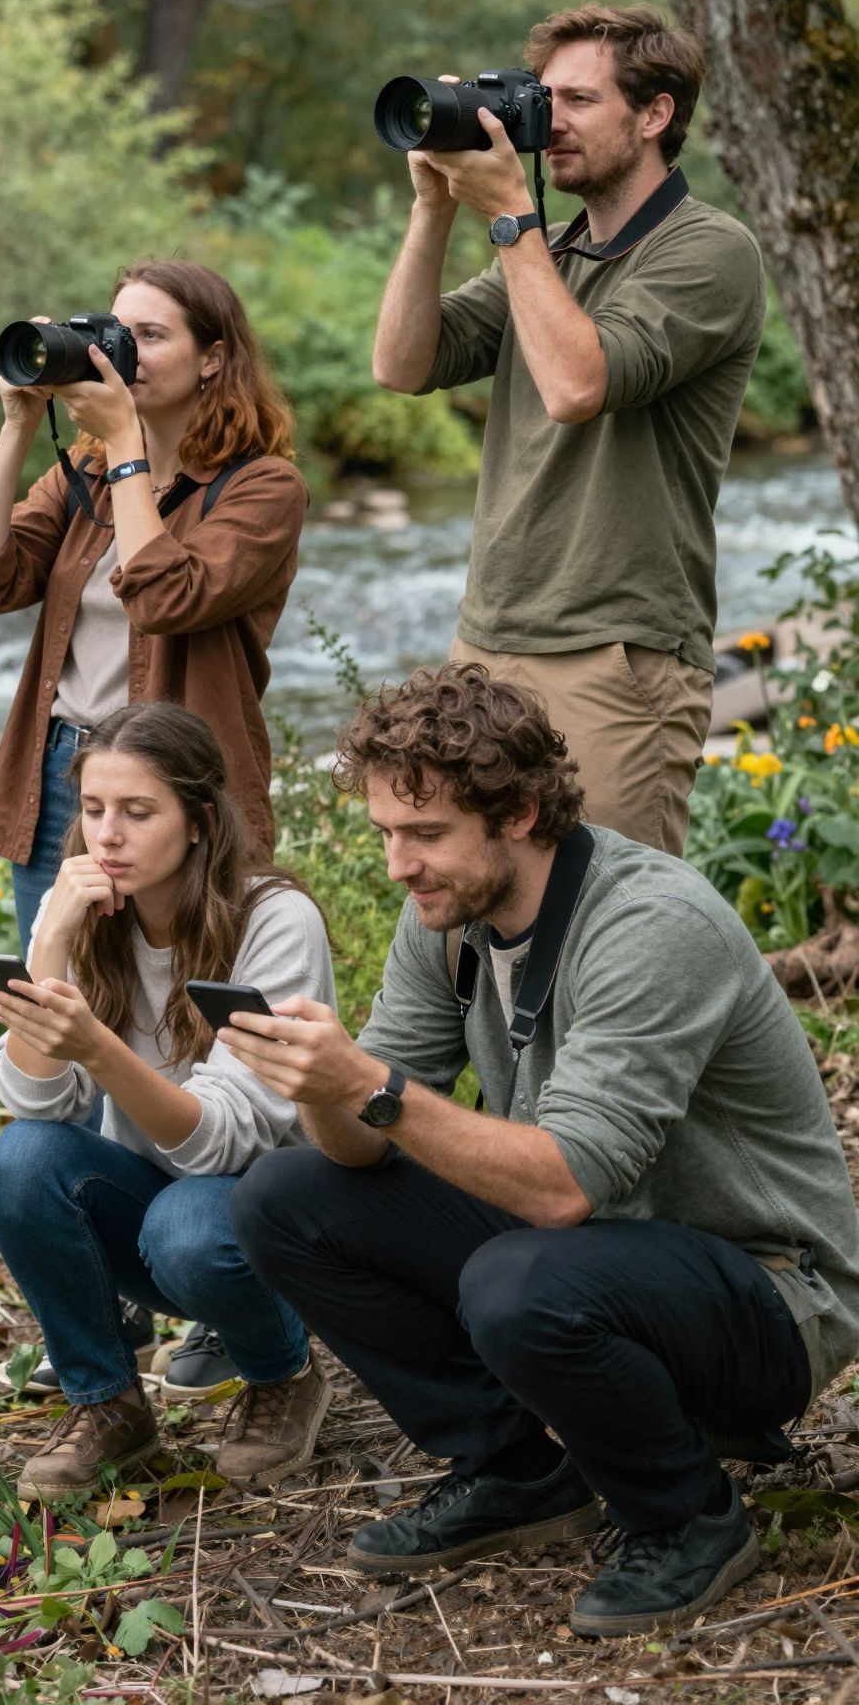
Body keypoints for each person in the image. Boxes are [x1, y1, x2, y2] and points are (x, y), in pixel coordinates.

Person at [223, 664, 859, 1638]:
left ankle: (688, 1516)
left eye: (425, 834)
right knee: (285, 1194)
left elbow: (561, 1187)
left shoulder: (649, 923)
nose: (398, 863)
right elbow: (360, 1150)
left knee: (518, 1278)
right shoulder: (444, 915)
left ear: (519, 812)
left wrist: (368, 1084)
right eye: (387, 831)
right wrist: (322, 1088)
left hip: (770, 1290)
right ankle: (517, 1467)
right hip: (596, 1248)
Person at [0, 261, 306, 1398]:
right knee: (71, 1011)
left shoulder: (262, 486)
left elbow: (166, 593)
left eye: (147, 335)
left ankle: (219, 1280)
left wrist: (133, 456)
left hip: (188, 794)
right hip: (65, 775)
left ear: (212, 355)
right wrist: (19, 429)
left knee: (198, 1033)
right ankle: (99, 1327)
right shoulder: (88, 469)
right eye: (113, 330)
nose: (121, 352)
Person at [372, 6, 765, 855]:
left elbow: (576, 384)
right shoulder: (551, 251)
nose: (550, 123)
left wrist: (514, 217)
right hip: (487, 639)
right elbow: (402, 366)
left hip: (615, 657)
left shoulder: (711, 251)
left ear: (655, 113)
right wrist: (434, 207)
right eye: (542, 100)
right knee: (474, 917)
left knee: (611, 931)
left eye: (580, 100)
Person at [0, 703, 336, 1499]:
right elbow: (33, 1101)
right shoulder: (88, 917)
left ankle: (284, 1374)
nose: (107, 836)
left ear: (200, 821)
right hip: (151, 1210)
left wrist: (97, 1047)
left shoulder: (272, 919)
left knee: (187, 1229)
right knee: (18, 1161)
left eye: (139, 813)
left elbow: (223, 1143)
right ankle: (106, 1403)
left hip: (259, 1219)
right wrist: (50, 946)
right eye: (95, 811)